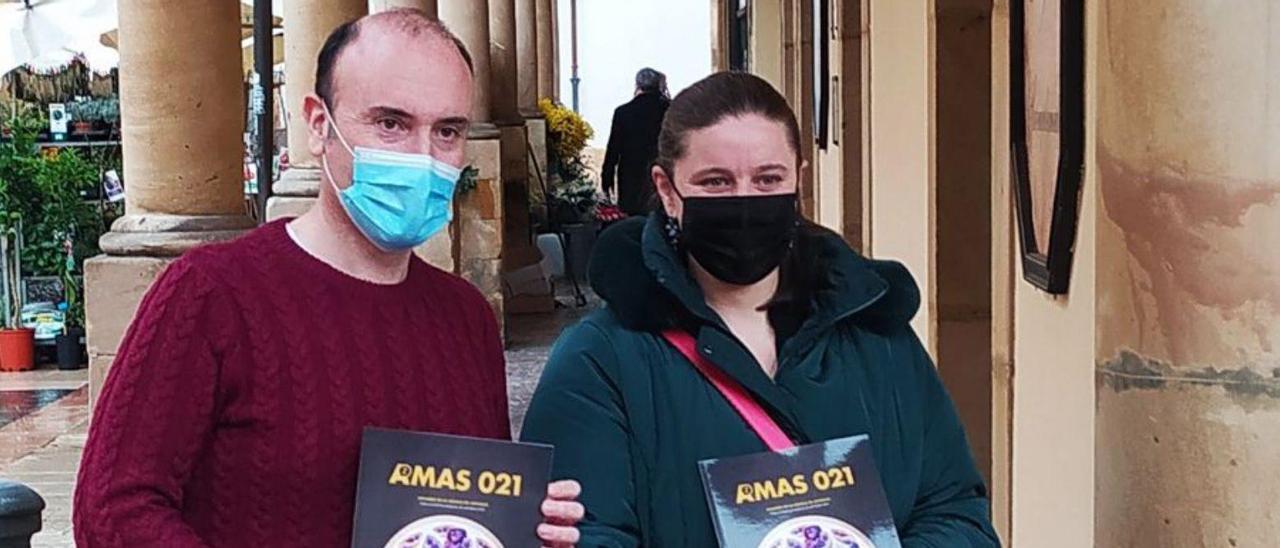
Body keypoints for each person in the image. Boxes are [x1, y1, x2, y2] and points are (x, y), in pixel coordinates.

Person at [73, 10, 582, 547]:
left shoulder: (466, 318)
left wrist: (521, 528)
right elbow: (112, 508)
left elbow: (463, 510)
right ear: (319, 125)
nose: (423, 158)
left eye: (448, 131)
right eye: (391, 123)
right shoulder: (211, 295)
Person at [520, 72, 999, 547]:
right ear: (668, 191)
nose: (745, 201)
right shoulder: (600, 362)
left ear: (798, 180)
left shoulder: (877, 331)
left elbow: (954, 510)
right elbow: (591, 534)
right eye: (716, 182)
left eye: (768, 179)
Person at [600, 67, 670, 217]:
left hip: (631, 178)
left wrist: (607, 178)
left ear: (637, 85)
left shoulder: (623, 112)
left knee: (632, 222)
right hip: (662, 174)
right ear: (659, 85)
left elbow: (613, 148)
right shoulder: (670, 110)